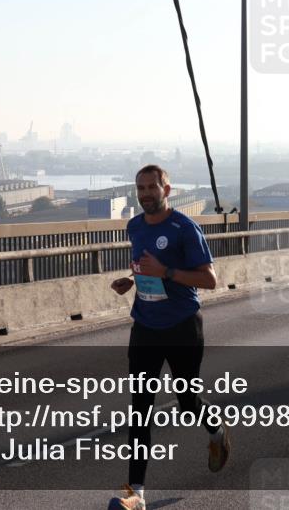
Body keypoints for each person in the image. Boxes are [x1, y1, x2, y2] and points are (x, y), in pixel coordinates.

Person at [108, 165, 230, 510]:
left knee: (188, 403)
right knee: (140, 412)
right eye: (140, 188)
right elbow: (144, 268)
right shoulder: (134, 226)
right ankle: (136, 494)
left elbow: (209, 280)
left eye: (152, 187)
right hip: (145, 326)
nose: (146, 193)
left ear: (167, 189)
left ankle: (216, 432)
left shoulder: (184, 228)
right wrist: (129, 281)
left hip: (182, 326)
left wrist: (167, 272)